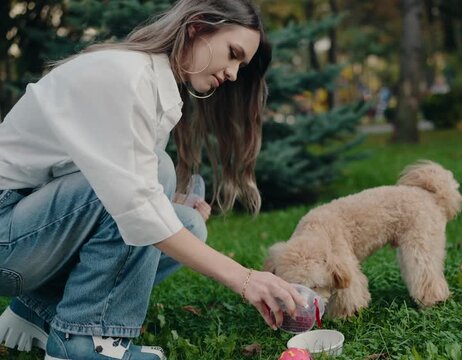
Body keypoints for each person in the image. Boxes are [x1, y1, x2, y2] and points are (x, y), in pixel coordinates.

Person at [0, 0, 306, 359]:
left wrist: (167, 204)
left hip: (27, 233)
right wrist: (246, 279)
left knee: (186, 222)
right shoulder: (127, 77)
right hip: (8, 232)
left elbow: (128, 190)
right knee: (146, 191)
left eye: (242, 64)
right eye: (233, 54)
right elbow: (134, 205)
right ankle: (85, 342)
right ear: (197, 27)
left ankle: (36, 310)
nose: (234, 74)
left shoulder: (150, 81)